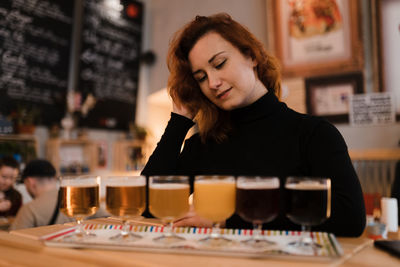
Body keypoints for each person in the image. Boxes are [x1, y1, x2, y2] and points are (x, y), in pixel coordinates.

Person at [141, 13, 366, 237]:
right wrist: (179, 121)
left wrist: (227, 219)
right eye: (200, 77)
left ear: (251, 56)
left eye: (219, 64)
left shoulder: (314, 134)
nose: (213, 83)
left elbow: (350, 217)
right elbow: (147, 205)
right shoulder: (203, 145)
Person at [11, 159, 109, 230]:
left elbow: (14, 240)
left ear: (30, 182)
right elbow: (108, 220)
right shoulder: (83, 200)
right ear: (54, 178)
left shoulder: (29, 209)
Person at [10, 159, 74, 229]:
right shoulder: (74, 203)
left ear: (30, 182)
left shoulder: (30, 210)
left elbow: (13, 237)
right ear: (54, 178)